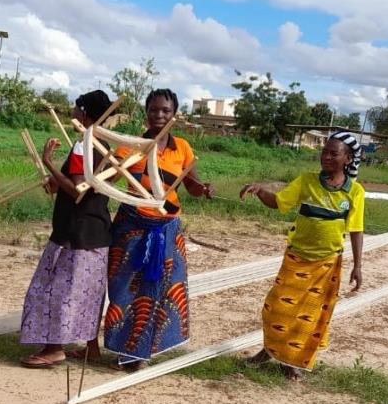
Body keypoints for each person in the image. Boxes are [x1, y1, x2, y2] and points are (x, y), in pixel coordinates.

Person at [103, 88, 214, 370]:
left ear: (174, 114)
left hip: (167, 229)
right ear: (146, 112)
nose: (159, 115)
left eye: (165, 110)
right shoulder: (131, 145)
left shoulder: (183, 149)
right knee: (125, 289)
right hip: (132, 228)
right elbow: (110, 178)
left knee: (162, 289)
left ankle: (144, 353)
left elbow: (191, 185)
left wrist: (203, 189)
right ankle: (126, 351)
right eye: (154, 110)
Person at [240, 132, 365, 380]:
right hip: (296, 258)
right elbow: (278, 202)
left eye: (334, 153)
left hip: (327, 264)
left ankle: (291, 362)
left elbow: (357, 229)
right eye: (324, 151)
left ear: (348, 158)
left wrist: (358, 265)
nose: (326, 157)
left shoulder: (355, 192)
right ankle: (268, 351)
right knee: (275, 308)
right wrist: (259, 191)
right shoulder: (307, 181)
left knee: (308, 316)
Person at [19, 90, 113, 368]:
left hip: (75, 233)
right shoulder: (106, 145)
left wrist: (48, 162)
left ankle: (54, 348)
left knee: (56, 290)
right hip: (97, 232)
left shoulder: (83, 145)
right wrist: (56, 180)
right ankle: (91, 348)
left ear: (84, 113)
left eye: (75, 108)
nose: (72, 113)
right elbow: (85, 186)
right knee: (89, 292)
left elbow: (77, 190)